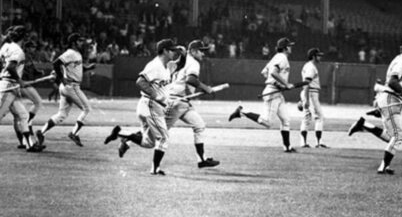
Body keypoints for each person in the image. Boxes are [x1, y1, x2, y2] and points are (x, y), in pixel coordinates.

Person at [104, 38, 178, 175]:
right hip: (150, 105)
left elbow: (177, 66)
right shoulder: (155, 65)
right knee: (163, 138)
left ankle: (121, 134)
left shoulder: (166, 66)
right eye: (172, 50)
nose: (174, 53)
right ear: (165, 51)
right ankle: (155, 169)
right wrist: (156, 96)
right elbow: (140, 81)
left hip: (150, 107)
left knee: (148, 142)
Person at [347, 37, 402, 175]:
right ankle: (383, 167)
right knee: (398, 137)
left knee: (391, 136)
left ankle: (364, 125)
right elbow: (393, 82)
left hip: (390, 99)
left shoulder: (400, 60)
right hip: (390, 99)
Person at [228, 37, 299, 153]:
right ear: (285, 48)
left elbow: (264, 72)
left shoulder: (275, 57)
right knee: (268, 122)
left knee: (286, 120)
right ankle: (242, 112)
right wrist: (285, 83)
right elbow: (273, 72)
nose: (291, 48)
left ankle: (287, 146)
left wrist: (278, 83)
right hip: (273, 92)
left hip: (277, 91)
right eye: (289, 46)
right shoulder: (282, 57)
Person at [164, 40, 221, 169]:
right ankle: (126, 137)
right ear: (194, 51)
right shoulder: (193, 62)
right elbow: (191, 79)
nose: (203, 54)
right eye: (201, 51)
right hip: (177, 102)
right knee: (157, 133)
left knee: (199, 125)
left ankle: (202, 160)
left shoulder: (184, 60)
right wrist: (206, 88)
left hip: (183, 102)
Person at [37, 32, 95, 148]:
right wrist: (61, 78)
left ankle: (42, 132)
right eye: (79, 41)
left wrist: (87, 68)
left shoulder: (77, 53)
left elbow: (76, 66)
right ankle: (74, 133)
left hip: (67, 88)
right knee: (87, 109)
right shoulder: (70, 53)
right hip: (72, 87)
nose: (81, 42)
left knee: (61, 115)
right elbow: (56, 63)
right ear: (73, 43)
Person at [0, 25, 45, 152]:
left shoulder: (6, 46)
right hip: (9, 87)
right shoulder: (18, 51)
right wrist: (20, 80)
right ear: (23, 37)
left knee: (23, 116)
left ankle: (30, 145)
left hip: (10, 86)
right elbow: (10, 67)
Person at [298, 48, 327, 149]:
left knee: (307, 118)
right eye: (318, 55)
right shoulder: (311, 67)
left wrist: (303, 98)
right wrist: (305, 99)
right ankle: (319, 142)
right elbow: (306, 83)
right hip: (311, 93)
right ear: (313, 56)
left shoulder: (308, 65)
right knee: (320, 117)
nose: (320, 57)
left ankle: (303, 142)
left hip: (308, 93)